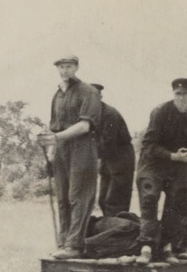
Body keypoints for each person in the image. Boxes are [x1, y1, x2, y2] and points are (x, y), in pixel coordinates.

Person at [134, 78, 187, 265]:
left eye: (185, 94)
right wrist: (172, 155)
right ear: (173, 94)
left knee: (177, 201)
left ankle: (166, 247)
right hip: (152, 164)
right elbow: (148, 146)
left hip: (178, 166)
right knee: (150, 198)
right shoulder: (160, 112)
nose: (181, 98)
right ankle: (146, 247)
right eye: (178, 94)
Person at [38, 55, 102, 259]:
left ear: (76, 67)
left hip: (82, 148)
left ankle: (74, 245)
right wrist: (50, 152)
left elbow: (85, 125)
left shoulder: (88, 92)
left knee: (78, 196)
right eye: (61, 67)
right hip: (61, 149)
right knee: (63, 197)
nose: (65, 70)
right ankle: (64, 242)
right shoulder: (57, 95)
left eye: (68, 66)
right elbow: (53, 125)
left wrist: (54, 138)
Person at [91, 84, 135, 217]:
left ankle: (118, 235)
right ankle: (110, 232)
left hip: (120, 158)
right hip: (106, 160)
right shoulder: (91, 114)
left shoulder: (109, 113)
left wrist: (87, 155)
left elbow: (107, 144)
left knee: (115, 202)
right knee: (103, 201)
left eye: (94, 97)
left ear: (100, 97)